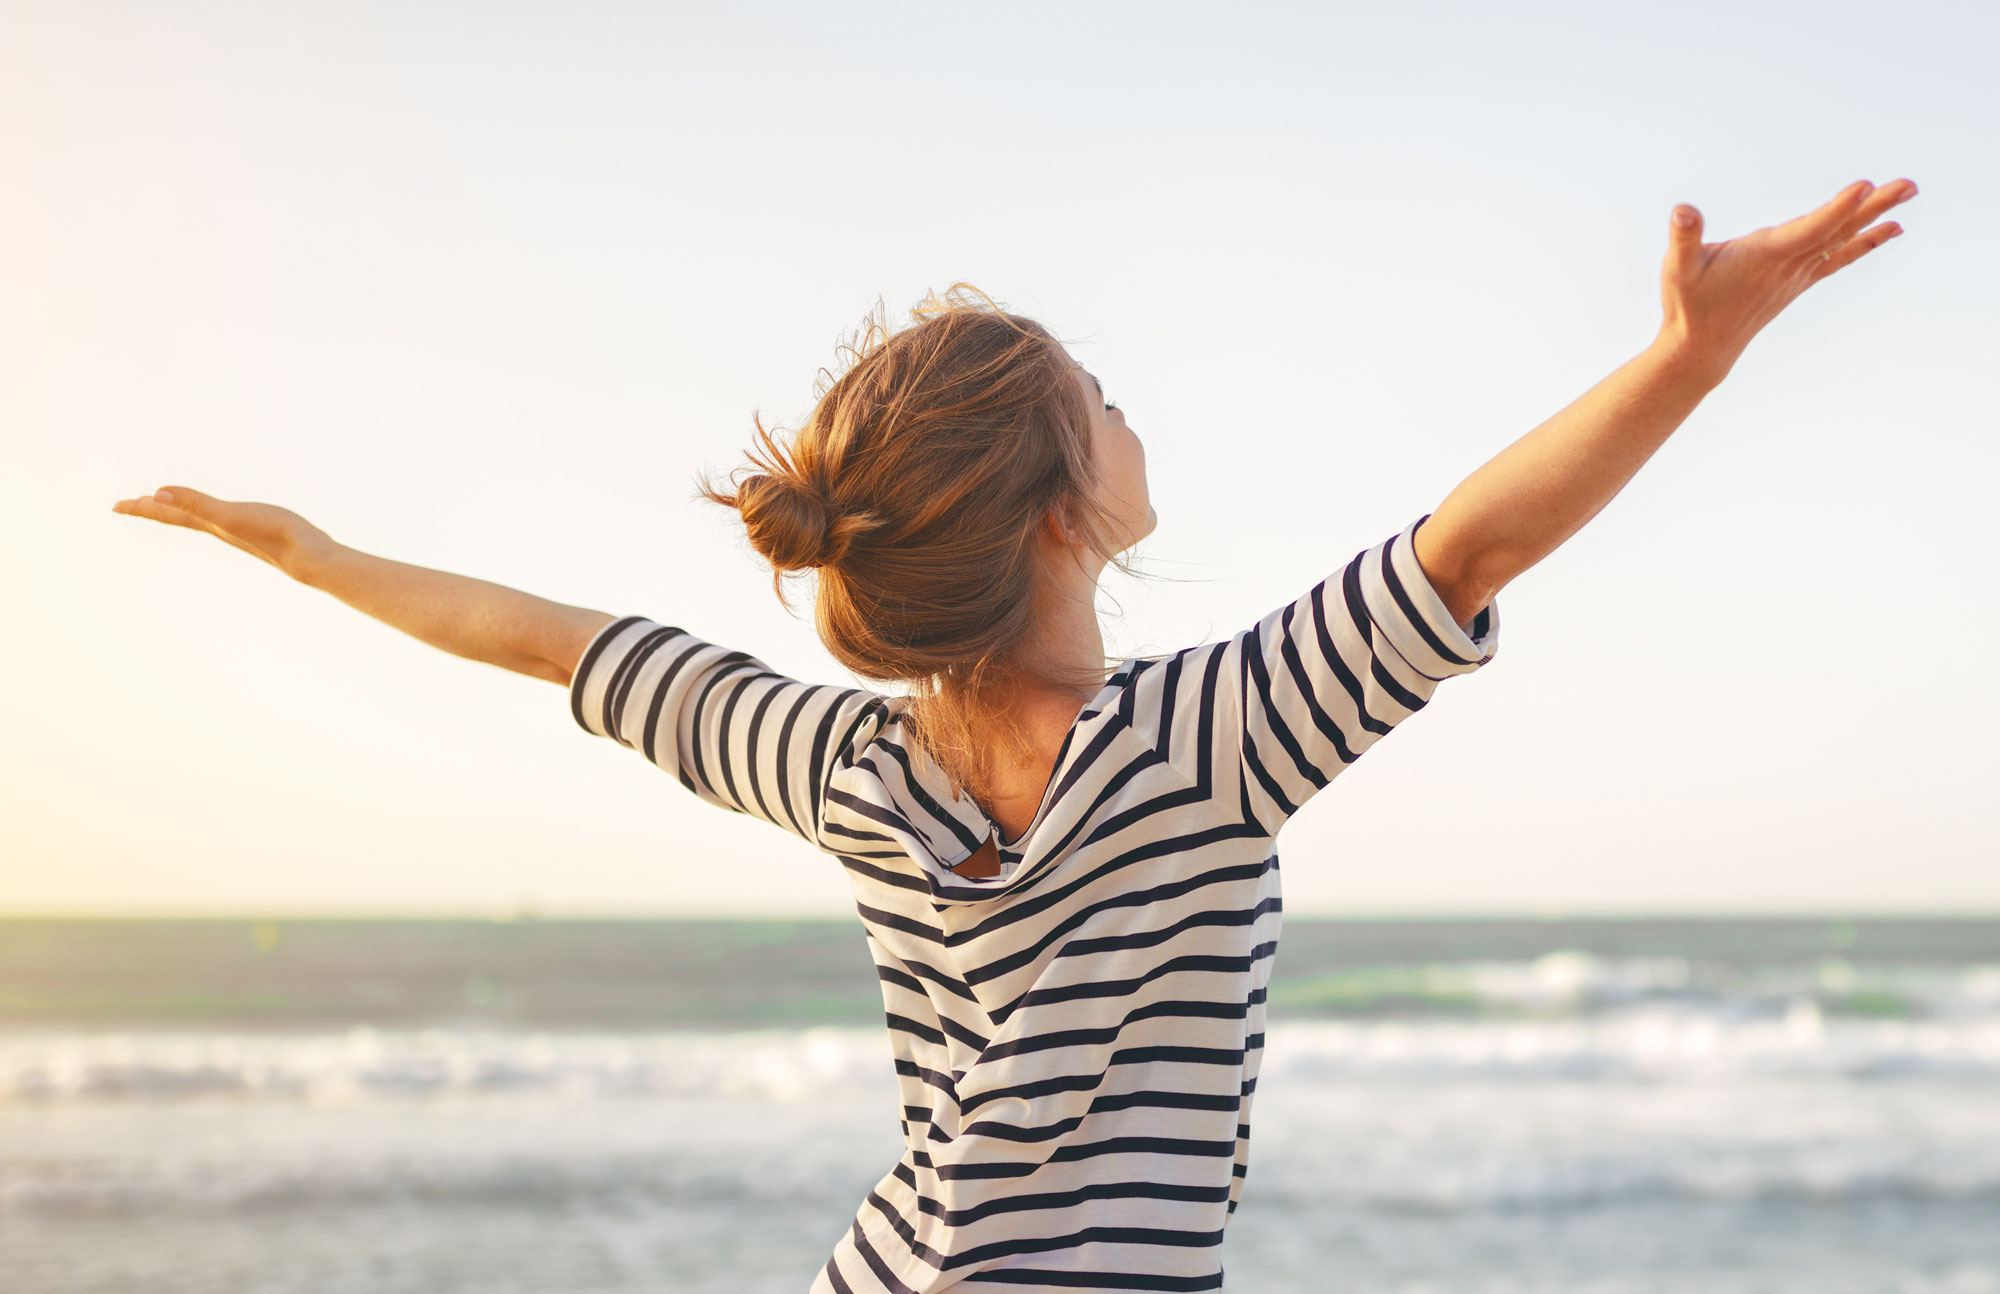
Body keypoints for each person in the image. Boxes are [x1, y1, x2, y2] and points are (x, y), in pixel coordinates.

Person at [113, 177, 1917, 1292]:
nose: (1131, 415)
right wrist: (1688, 352)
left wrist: (314, 554)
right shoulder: (1213, 739)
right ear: (1060, 503)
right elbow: (1474, 539)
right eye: (1100, 402)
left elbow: (558, 648)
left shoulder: (842, 766)